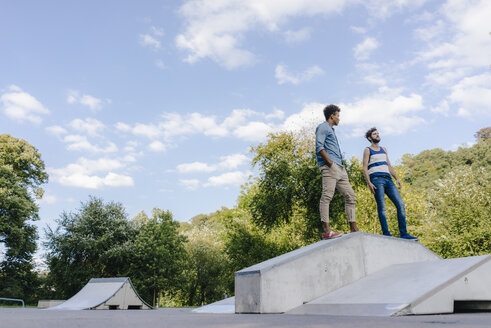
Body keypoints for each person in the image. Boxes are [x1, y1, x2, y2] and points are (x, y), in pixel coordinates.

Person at [362, 127, 418, 240]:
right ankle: (386, 233)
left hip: (389, 180)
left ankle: (404, 233)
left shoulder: (384, 149)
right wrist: (369, 183)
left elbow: (389, 165)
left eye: (378, 133)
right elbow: (364, 167)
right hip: (376, 180)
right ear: (370, 138)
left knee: (400, 204)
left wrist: (396, 178)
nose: (377, 135)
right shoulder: (367, 150)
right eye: (374, 134)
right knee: (382, 208)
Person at [315, 104, 359, 239]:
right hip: (330, 167)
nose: (339, 118)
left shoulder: (331, 130)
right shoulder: (323, 127)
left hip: (340, 168)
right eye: (338, 115)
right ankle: (327, 231)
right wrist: (329, 163)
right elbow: (319, 147)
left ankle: (353, 228)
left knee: (351, 196)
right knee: (327, 196)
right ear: (332, 115)